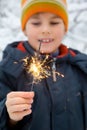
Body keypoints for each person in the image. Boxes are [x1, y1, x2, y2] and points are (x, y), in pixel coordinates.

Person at [0, 0, 87, 130]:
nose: (46, 30)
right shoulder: (8, 70)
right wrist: (9, 116)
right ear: (24, 28)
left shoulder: (81, 68)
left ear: (65, 28)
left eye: (54, 22)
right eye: (36, 23)